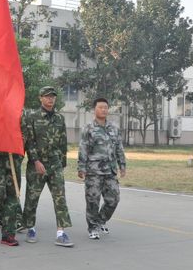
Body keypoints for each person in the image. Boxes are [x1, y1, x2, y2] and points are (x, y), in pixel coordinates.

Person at [22, 86, 73, 247]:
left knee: (60, 198)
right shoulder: (32, 116)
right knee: (32, 198)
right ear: (40, 98)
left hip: (55, 164)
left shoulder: (59, 118)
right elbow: (29, 141)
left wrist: (62, 162)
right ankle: (30, 228)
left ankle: (61, 232)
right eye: (47, 96)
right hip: (37, 165)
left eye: (53, 96)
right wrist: (35, 161)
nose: (51, 99)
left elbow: (63, 142)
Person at [78, 97, 126, 240]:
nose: (103, 110)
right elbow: (83, 149)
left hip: (110, 171)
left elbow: (119, 148)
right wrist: (81, 167)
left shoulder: (114, 128)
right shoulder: (88, 128)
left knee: (114, 199)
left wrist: (122, 165)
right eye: (100, 107)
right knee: (93, 200)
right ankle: (92, 227)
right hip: (93, 171)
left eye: (105, 107)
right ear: (95, 109)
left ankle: (100, 221)